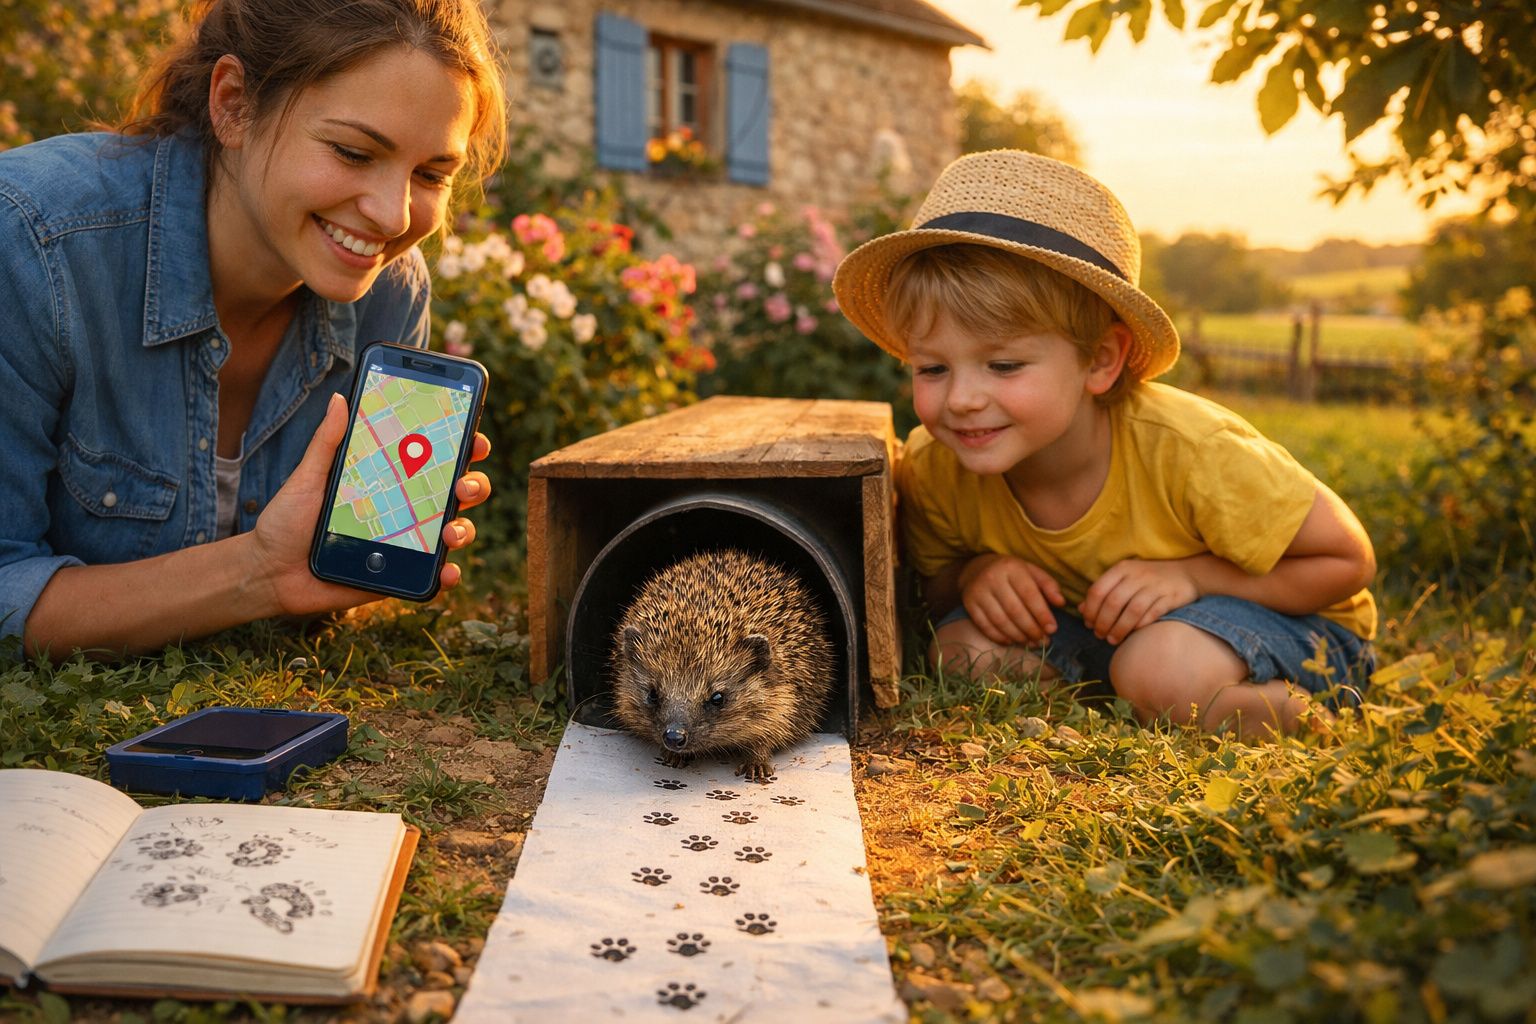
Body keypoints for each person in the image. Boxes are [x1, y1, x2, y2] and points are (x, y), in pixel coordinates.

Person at [0, 0, 508, 659]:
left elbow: (326, 581)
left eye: (432, 173)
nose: (391, 216)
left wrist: (352, 559)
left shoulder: (390, 289)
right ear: (235, 104)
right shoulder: (34, 243)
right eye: (354, 153)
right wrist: (257, 574)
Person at [832, 151, 1377, 738]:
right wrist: (974, 576)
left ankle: (1292, 714)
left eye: (1004, 364)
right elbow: (931, 586)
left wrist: (1194, 578)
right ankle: (1125, 690)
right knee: (963, 651)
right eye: (933, 369)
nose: (961, 399)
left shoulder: (1190, 450)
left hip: (1288, 624)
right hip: (1103, 628)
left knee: (1161, 667)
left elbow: (1346, 560)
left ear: (1100, 360)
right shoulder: (939, 465)